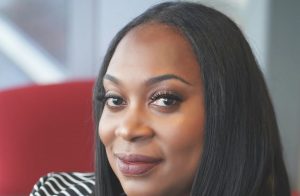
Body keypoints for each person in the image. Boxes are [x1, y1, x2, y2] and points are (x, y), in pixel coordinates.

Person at [31, 1, 290, 196]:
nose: (128, 129)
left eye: (165, 100)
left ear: (231, 113)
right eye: (115, 100)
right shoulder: (56, 191)